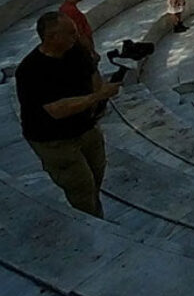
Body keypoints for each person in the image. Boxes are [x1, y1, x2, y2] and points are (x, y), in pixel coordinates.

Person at [15, 12, 120, 218]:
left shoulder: (75, 51)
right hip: (55, 140)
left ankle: (96, 214)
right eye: (71, 32)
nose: (76, 35)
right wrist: (97, 96)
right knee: (80, 186)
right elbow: (57, 110)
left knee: (96, 175)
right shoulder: (31, 70)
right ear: (52, 37)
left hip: (86, 128)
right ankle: (93, 226)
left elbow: (92, 74)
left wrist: (98, 100)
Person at [59, 0, 99, 66]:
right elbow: (80, 34)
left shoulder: (64, 8)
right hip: (81, 49)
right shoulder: (72, 11)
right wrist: (92, 51)